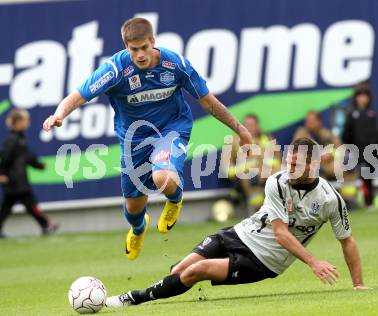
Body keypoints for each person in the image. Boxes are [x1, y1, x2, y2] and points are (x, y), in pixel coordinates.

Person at [42, 18, 252, 260]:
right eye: (134, 49)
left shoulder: (176, 65)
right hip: (134, 139)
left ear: (153, 41)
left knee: (161, 176)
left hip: (171, 129)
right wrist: (59, 115)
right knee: (133, 208)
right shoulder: (114, 70)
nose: (140, 54)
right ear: (126, 46)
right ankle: (138, 228)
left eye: (144, 47)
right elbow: (78, 96)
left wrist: (241, 130)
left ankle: (175, 199)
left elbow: (209, 102)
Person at [105, 137, 369, 309]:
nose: (289, 167)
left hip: (263, 260)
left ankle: (134, 298)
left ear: (313, 165)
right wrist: (313, 261)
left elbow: (347, 240)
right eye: (289, 161)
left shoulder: (329, 199)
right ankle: (155, 293)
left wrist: (358, 285)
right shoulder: (277, 181)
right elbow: (280, 231)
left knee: (197, 271)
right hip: (238, 233)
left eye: (296, 164)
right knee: (180, 269)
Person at [0, 109, 59, 238]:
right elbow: (5, 157)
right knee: (30, 204)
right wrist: (2, 173)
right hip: (15, 180)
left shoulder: (20, 139)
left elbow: (26, 157)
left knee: (7, 207)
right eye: (26, 120)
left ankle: (46, 225)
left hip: (18, 179)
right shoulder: (13, 140)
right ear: (17, 122)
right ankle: (46, 225)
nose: (28, 122)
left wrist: (38, 165)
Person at [226, 114, 281, 213]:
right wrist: (251, 164)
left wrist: (264, 163)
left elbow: (278, 161)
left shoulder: (267, 139)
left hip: (268, 173)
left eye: (252, 125)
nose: (250, 128)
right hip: (245, 175)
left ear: (257, 126)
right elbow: (228, 169)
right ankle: (259, 210)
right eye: (247, 125)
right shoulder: (233, 141)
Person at [293, 111, 342, 180]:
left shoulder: (327, 133)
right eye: (308, 120)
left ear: (319, 121)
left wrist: (331, 154)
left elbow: (339, 147)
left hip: (327, 165)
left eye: (312, 120)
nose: (309, 123)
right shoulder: (301, 134)